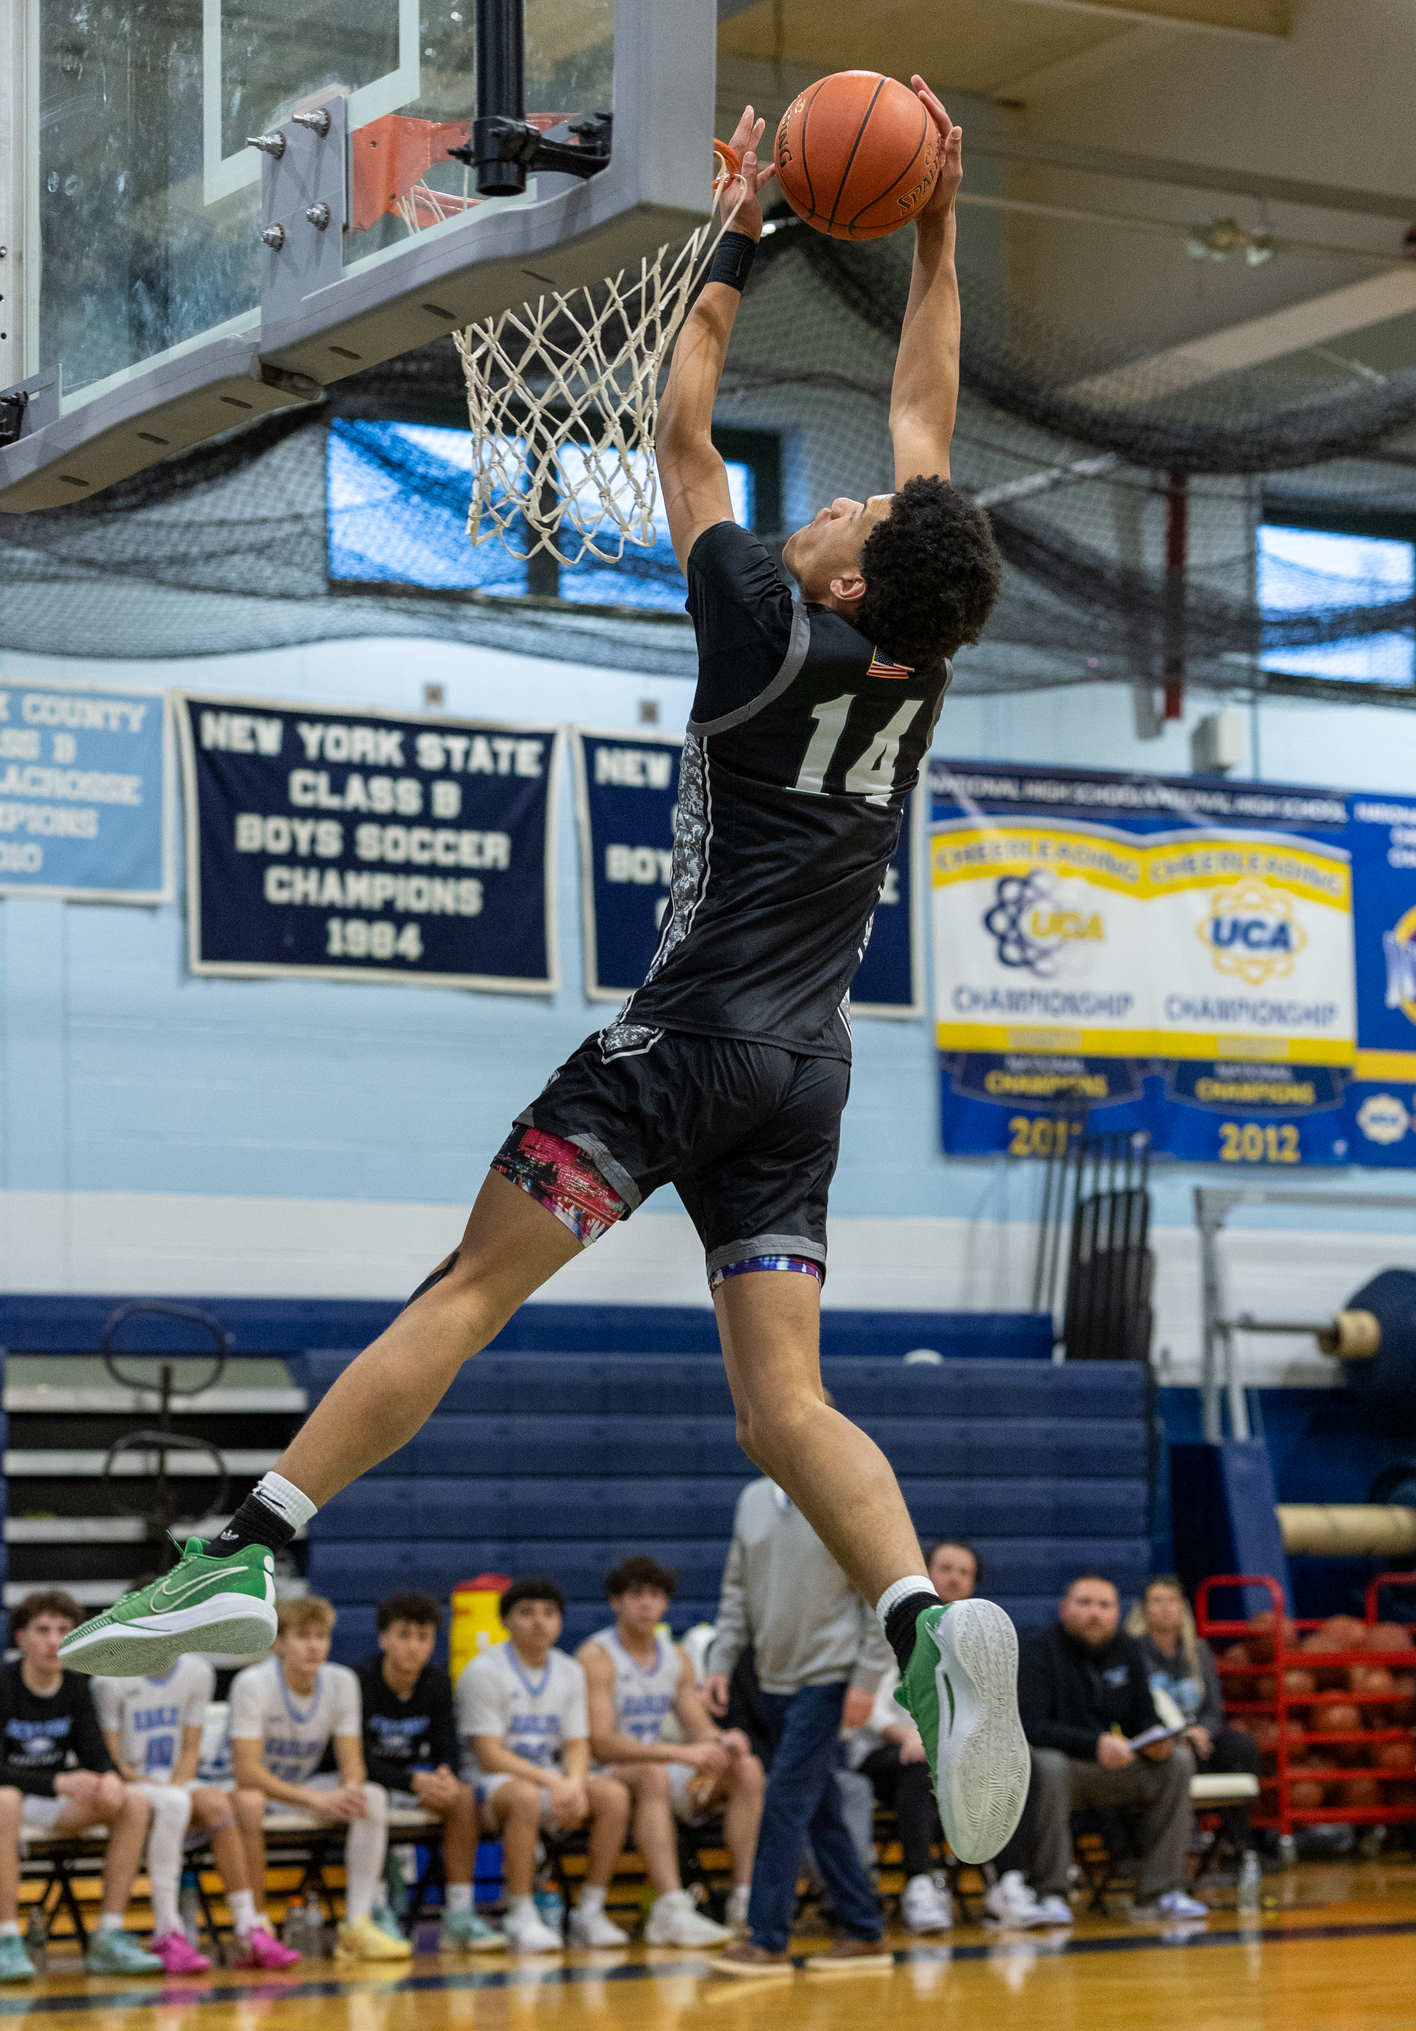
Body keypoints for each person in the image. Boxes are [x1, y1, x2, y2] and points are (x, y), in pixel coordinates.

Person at [60, 80, 1025, 1893]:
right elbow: (927, 413)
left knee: (471, 1285)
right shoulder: (919, 660)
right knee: (782, 1407)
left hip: (686, 1044)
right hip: (806, 1074)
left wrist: (739, 227)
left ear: (847, 562)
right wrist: (938, 228)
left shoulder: (763, 623)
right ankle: (915, 1616)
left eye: (855, 513)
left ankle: (245, 1542)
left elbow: (681, 421)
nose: (851, 505)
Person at [701, 1474, 894, 1976]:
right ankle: (863, 1928)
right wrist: (721, 1660)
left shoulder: (840, 1492)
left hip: (829, 1676)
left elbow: (878, 1592)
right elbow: (736, 1588)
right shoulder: (750, 1499)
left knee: (783, 1802)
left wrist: (867, 1679)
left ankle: (766, 1939)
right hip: (773, 1679)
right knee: (822, 1809)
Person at [577, 1556, 758, 1943]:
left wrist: (722, 1741)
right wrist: (681, 1754)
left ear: (666, 1604)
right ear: (616, 1602)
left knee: (747, 1768)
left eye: (656, 1595)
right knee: (654, 1775)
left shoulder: (675, 1655)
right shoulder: (596, 1657)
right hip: (602, 1773)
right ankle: (671, 1907)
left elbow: (698, 1726)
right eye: (636, 1595)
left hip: (657, 1767)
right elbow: (603, 1743)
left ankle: (745, 1899)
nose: (646, 1604)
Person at [228, 1595, 411, 1962]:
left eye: (321, 1635)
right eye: (303, 1636)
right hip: (241, 1790)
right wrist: (315, 1800)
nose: (315, 1646)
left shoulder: (342, 1681)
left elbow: (353, 1763)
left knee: (370, 1797)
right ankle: (257, 1927)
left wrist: (352, 1789)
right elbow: (246, 1771)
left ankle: (358, 1923)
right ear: (279, 1643)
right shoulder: (253, 1683)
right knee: (251, 1801)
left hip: (295, 1792)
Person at [1018, 1576, 1207, 1925]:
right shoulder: (1037, 1649)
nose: (1095, 1613)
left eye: (1104, 1606)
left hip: (1115, 1769)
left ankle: (1160, 1892)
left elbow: (1145, 1718)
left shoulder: (1127, 1650)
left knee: (1178, 1761)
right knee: (1048, 1764)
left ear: (1117, 1614)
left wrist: (1157, 1743)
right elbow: (1032, 1726)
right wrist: (1095, 1744)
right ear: (1064, 1609)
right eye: (1085, 1603)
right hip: (1067, 1769)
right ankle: (1050, 1893)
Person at [456, 1579, 632, 1951]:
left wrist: (574, 1782)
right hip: (489, 1784)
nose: (539, 1622)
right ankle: (520, 1912)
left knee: (614, 1795)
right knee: (525, 1796)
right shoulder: (483, 1671)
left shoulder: (569, 1670)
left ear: (561, 1622)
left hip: (547, 1780)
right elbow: (488, 1754)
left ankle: (590, 1911)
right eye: (527, 1613)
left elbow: (577, 1744)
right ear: (506, 1621)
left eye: (549, 1613)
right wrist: (552, 1780)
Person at [93, 1641, 289, 1972]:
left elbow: (190, 1750)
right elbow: (112, 1760)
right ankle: (167, 1932)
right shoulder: (109, 1679)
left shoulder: (198, 1671)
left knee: (219, 1806)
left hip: (176, 1780)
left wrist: (175, 1785)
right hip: (132, 1783)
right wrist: (164, 1790)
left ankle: (248, 1926)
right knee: (174, 1803)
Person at [0, 1591, 162, 1979]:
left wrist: (108, 1776)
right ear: (21, 1639)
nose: (54, 1640)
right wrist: (58, 1780)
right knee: (4, 1801)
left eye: (63, 1630)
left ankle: (110, 1933)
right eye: (42, 1630)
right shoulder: (4, 1684)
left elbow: (96, 1753)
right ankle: (6, 1939)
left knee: (133, 1801)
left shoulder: (75, 1685)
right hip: (11, 1799)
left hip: (46, 1801)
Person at [847, 1539, 987, 1935]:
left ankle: (1010, 1885)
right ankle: (919, 1884)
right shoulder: (893, 1624)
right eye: (947, 1568)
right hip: (881, 1751)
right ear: (926, 1573)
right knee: (920, 1766)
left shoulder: (975, 1638)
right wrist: (908, 1735)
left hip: (947, 1754)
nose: (956, 1578)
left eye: (965, 1572)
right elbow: (867, 1704)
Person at [355, 1592, 504, 1953]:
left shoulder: (436, 1683)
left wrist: (445, 1778)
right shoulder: (360, 1680)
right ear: (383, 1639)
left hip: (408, 1780)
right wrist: (413, 1781)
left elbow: (446, 1745)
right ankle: (376, 1911)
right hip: (364, 1780)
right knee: (368, 1798)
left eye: (423, 1637)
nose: (413, 1647)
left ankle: (459, 1913)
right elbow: (354, 1759)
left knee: (463, 1796)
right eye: (404, 1635)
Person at [1127, 1574, 1261, 1868]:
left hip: (1198, 1737)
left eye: (1172, 1601)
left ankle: (1237, 1843)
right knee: (1177, 1754)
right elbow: (1133, 1708)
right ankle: (1178, 1843)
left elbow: (1213, 1708)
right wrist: (1177, 1736)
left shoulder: (1198, 1650)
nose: (1165, 1608)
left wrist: (1203, 1731)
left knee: (1241, 1747)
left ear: (1183, 1608)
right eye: (1157, 1601)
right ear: (1144, 1609)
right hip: (1159, 1738)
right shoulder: (1132, 1651)